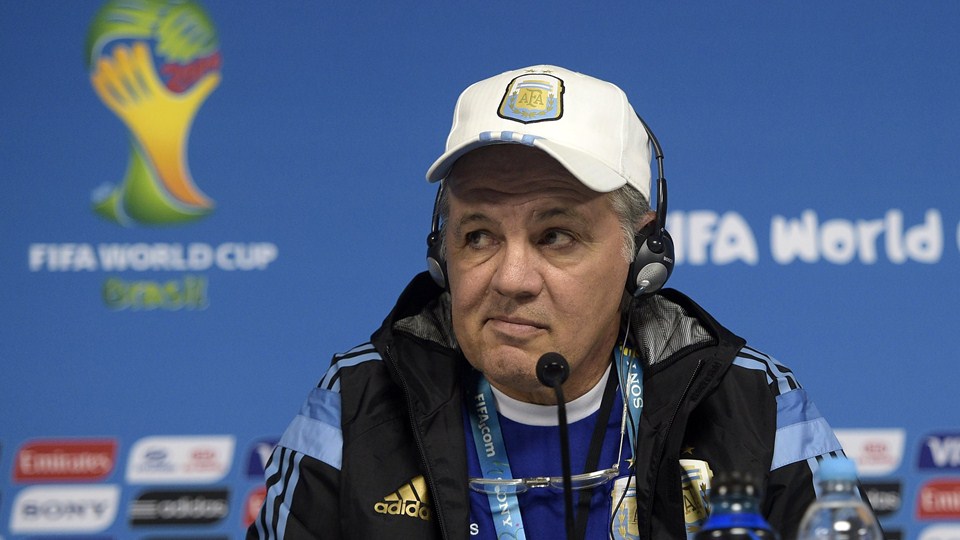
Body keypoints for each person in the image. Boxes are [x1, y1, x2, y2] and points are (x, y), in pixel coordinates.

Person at [247, 65, 851, 540]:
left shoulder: (752, 404)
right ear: (441, 252)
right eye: (478, 235)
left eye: (555, 236)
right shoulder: (353, 405)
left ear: (640, 254)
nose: (511, 279)